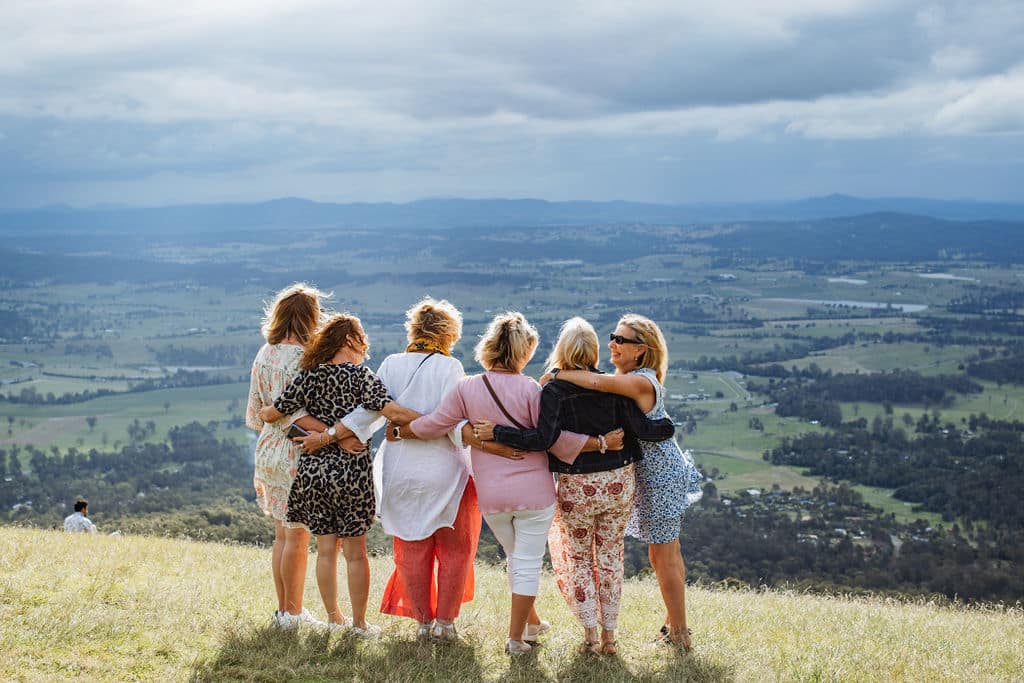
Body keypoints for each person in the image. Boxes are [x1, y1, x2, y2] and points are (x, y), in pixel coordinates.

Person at [394, 312, 621, 656]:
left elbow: (434, 425)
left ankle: (531, 624)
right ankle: (515, 640)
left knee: (516, 558)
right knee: (527, 563)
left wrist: (400, 430)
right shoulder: (532, 389)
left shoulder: (466, 387)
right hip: (535, 494)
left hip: (493, 497)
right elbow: (552, 439)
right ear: (523, 352)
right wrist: (599, 443)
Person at [475, 316, 676, 655]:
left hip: (577, 485)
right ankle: (611, 638)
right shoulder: (613, 385)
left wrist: (497, 432)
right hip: (617, 481)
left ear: (561, 350)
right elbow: (641, 427)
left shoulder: (553, 390)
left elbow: (543, 439)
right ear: (595, 351)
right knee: (612, 556)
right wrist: (666, 427)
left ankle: (591, 637)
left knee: (580, 559)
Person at [313, 297, 483, 641]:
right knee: (454, 548)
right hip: (444, 469)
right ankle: (446, 625)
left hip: (400, 468)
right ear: (449, 334)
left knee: (412, 548)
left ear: (414, 329)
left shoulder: (391, 363)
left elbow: (367, 413)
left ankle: (422, 622)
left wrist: (331, 435)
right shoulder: (450, 368)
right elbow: (452, 422)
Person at [549, 314, 704, 651]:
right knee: (666, 555)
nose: (612, 344)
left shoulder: (642, 381)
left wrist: (557, 375)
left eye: (621, 340)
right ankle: (673, 624)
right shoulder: (631, 377)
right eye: (612, 337)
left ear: (641, 350)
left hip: (660, 476)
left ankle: (679, 634)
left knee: (663, 557)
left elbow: (594, 383)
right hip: (654, 474)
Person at [259, 313, 418, 638]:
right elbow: (393, 413)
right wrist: (441, 421)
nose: (365, 344)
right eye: (361, 337)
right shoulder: (363, 377)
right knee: (356, 553)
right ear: (349, 341)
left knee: (326, 550)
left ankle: (335, 618)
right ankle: (359, 624)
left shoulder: (309, 376)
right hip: (352, 475)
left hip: (314, 473)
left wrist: (264, 412)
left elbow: (276, 412)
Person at [245, 282, 343, 629]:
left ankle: (285, 610)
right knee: (299, 537)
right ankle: (292, 613)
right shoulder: (308, 358)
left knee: (283, 536)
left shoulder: (264, 353)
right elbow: (306, 412)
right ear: (310, 319)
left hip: (268, 449)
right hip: (299, 451)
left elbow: (256, 414)